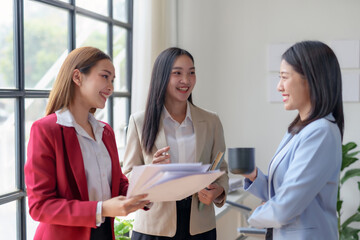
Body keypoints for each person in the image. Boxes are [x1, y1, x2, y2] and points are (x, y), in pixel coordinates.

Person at [25, 46, 149, 240]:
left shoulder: (105, 131)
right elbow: (40, 206)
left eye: (113, 80)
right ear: (77, 77)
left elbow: (117, 184)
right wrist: (102, 208)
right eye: (105, 76)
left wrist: (150, 184)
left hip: (104, 234)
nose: (111, 87)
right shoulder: (46, 130)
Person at [122, 47, 229, 240]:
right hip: (154, 227)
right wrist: (150, 171)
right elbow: (127, 176)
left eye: (191, 73)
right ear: (162, 77)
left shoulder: (211, 121)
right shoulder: (139, 122)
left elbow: (221, 169)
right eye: (177, 73)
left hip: (200, 227)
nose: (186, 81)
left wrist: (218, 192)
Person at [242, 41, 344, 240]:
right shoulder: (299, 129)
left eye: (284, 77)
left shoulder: (320, 132)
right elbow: (285, 191)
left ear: (310, 79)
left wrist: (253, 216)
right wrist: (254, 176)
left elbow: (285, 207)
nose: (279, 87)